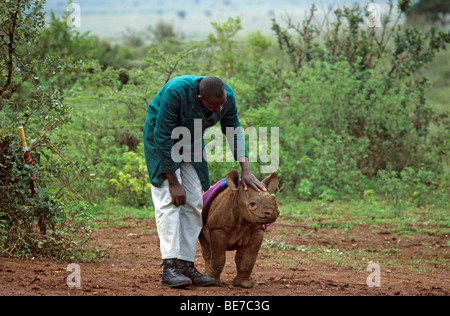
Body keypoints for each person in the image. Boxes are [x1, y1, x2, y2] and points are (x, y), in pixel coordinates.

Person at [143, 75, 266, 288]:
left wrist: (245, 168)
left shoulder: (225, 96)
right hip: (160, 141)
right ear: (200, 98)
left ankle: (185, 264)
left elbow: (233, 128)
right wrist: (173, 181)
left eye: (222, 105)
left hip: (190, 141)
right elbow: (162, 136)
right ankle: (170, 266)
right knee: (169, 201)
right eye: (214, 106)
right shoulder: (176, 92)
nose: (219, 110)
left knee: (194, 201)